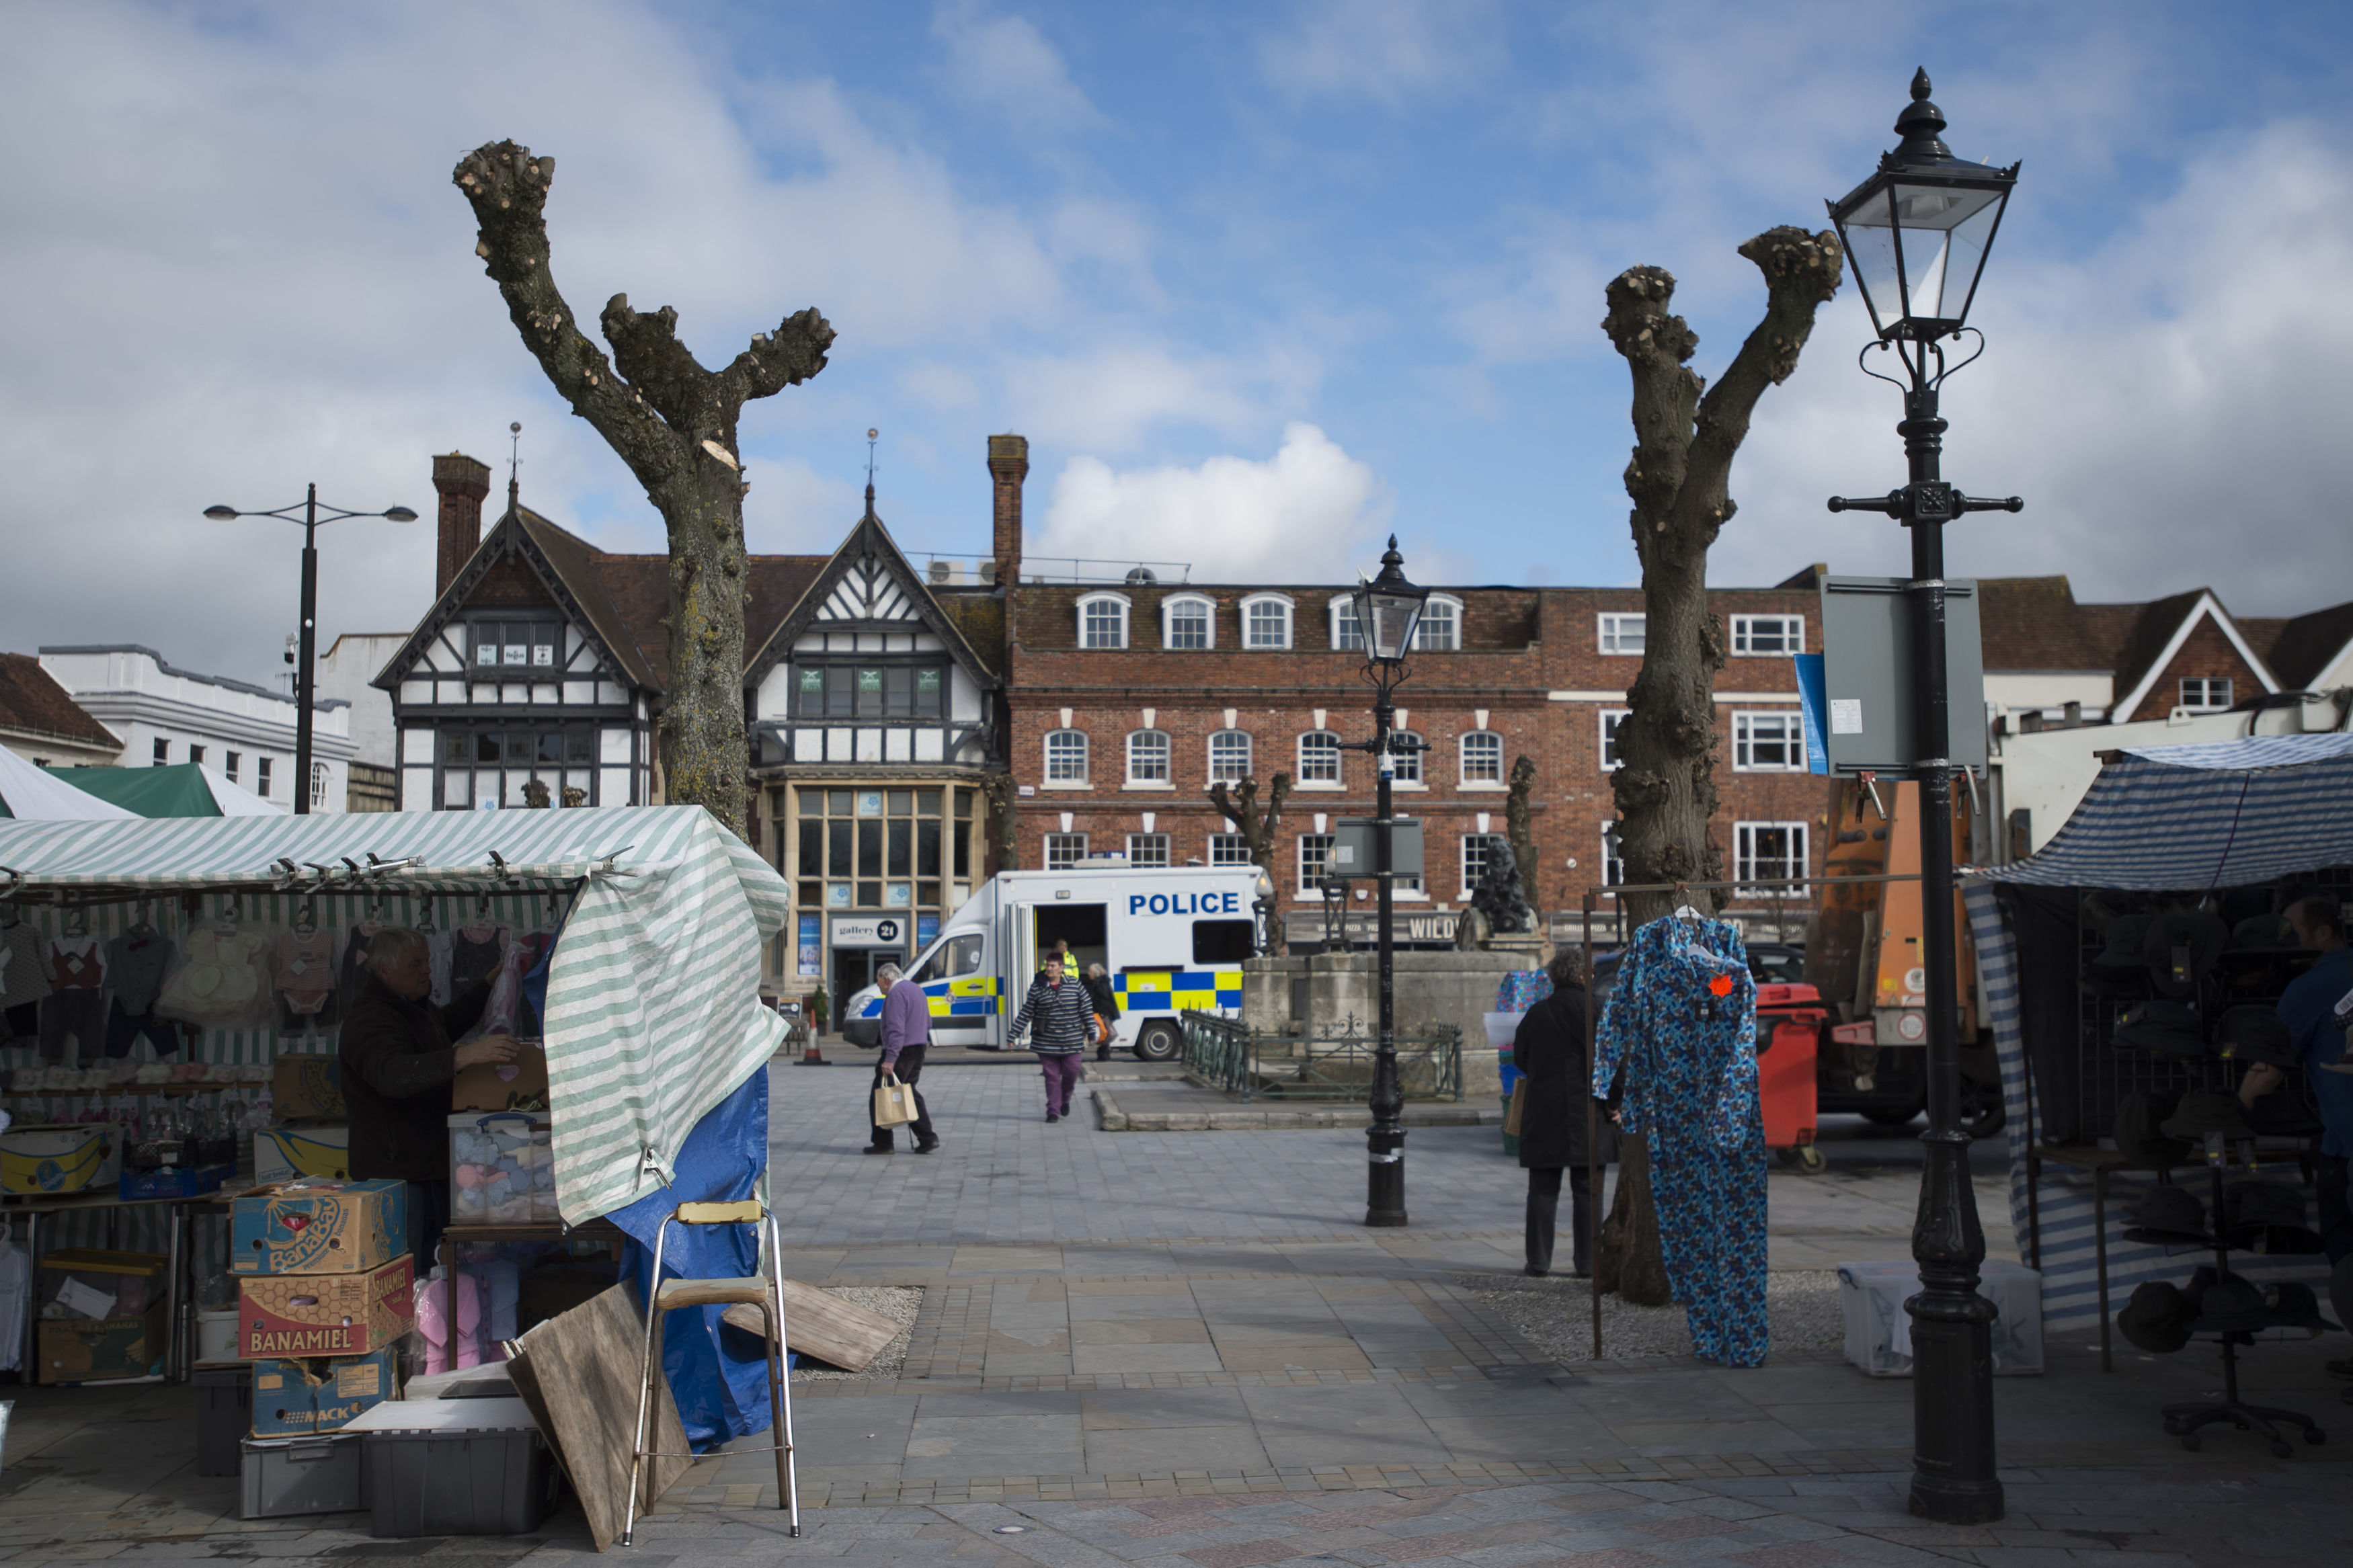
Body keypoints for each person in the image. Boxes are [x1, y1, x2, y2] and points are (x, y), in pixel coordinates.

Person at [340, 926, 518, 1267]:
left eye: (427, 961)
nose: (427, 970)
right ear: (385, 971)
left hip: (427, 1165)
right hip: (396, 1174)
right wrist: (465, 1056)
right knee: (408, 1268)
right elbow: (394, 1075)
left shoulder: (413, 1007)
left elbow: (447, 1023)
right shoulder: (369, 1018)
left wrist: (492, 981)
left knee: (434, 1265)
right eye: (415, 965)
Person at [1511, 948, 1616, 1278]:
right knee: (1588, 1191)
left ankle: (1538, 1260)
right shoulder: (1599, 1011)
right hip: (1590, 1112)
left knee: (1542, 1190)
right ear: (1585, 976)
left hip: (1544, 1111)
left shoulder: (1538, 1013)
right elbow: (1614, 1062)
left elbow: (1521, 1059)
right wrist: (1616, 1101)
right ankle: (1587, 1262)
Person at [867, 961, 941, 1155]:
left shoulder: (895, 994)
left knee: (880, 1094)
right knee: (908, 1092)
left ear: (886, 979)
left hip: (901, 1051)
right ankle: (928, 1138)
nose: (878, 986)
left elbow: (896, 1029)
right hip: (918, 1048)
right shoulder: (916, 989)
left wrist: (890, 1059)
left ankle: (883, 1143)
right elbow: (928, 1020)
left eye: (878, 981)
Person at [1008, 953, 1092, 1122]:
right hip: (1046, 1041)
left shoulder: (1075, 984)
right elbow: (1026, 1012)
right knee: (1052, 1076)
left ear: (1061, 968)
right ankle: (1053, 1111)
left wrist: (1091, 1031)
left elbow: (1086, 1008)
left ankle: (1065, 1099)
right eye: (1047, 965)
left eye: (1053, 966)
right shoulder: (1038, 987)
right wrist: (1013, 1034)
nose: (1049, 969)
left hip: (1072, 1039)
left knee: (1072, 1072)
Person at [1083, 962, 1121, 1062]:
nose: (1089, 974)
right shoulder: (1102, 982)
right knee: (1105, 1032)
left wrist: (1101, 1012)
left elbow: (1103, 999)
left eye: (1090, 972)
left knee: (1105, 1032)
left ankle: (1104, 1056)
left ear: (1096, 973)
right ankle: (1103, 1055)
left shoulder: (1101, 983)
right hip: (1105, 1012)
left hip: (1104, 1013)